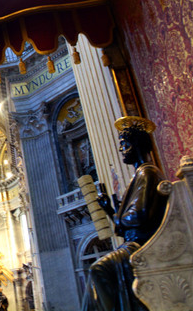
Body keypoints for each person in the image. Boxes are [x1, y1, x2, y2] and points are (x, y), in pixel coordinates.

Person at [81, 116, 167, 311]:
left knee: (98, 269)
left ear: (137, 144)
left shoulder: (148, 173)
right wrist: (110, 210)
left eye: (124, 144)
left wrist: (117, 215)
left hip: (142, 246)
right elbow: (124, 227)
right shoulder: (138, 177)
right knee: (92, 284)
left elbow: (138, 216)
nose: (121, 149)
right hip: (133, 244)